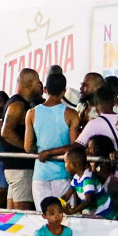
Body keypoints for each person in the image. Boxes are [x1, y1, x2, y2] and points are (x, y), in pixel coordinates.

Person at [26, 69, 79, 205]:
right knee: (66, 217)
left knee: (43, 218)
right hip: (63, 173)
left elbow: (28, 147)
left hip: (40, 174)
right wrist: (51, 152)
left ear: (45, 89)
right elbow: (74, 146)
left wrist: (44, 150)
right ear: (64, 92)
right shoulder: (71, 114)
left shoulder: (31, 113)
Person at [0, 69, 41, 210]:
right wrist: (28, 148)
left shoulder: (21, 103)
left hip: (16, 167)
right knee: (23, 215)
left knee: (12, 215)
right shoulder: (18, 104)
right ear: (29, 83)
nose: (40, 85)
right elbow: (6, 132)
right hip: (20, 168)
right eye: (37, 82)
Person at [63, 141, 114, 219]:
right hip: (96, 214)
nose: (65, 165)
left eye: (66, 162)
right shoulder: (76, 178)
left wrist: (73, 210)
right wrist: (58, 204)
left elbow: (88, 201)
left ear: (73, 165)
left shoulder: (87, 179)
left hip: (105, 214)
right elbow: (66, 195)